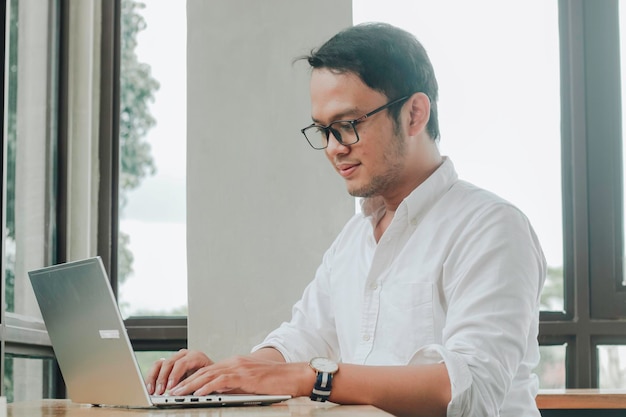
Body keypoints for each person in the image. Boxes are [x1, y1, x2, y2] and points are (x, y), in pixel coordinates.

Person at [145, 22, 546, 417]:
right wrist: (224, 377)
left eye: (348, 125)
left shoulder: (492, 227)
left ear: (414, 114)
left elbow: (469, 392)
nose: (334, 149)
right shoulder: (355, 239)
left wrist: (311, 379)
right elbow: (304, 337)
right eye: (323, 131)